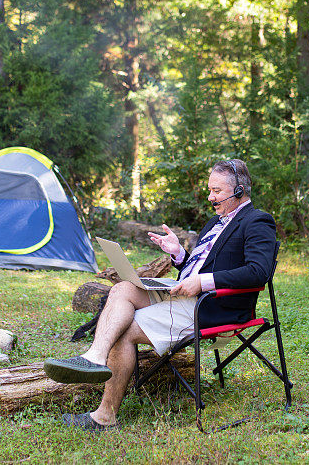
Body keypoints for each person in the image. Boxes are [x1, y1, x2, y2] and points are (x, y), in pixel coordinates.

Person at [43, 159, 277, 432]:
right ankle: (95, 356)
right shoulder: (216, 222)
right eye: (209, 190)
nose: (211, 198)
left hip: (213, 307)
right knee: (123, 288)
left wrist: (202, 282)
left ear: (239, 191)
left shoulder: (257, 220)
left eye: (217, 191)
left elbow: (258, 272)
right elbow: (205, 265)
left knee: (125, 329)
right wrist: (178, 253)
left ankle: (105, 417)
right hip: (185, 294)